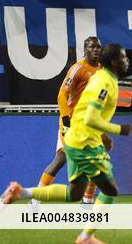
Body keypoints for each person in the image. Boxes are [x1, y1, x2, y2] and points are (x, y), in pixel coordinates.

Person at [0, 43, 132, 244]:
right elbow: (90, 117)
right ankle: (86, 237)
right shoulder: (103, 82)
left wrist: (103, 136)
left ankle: (21, 192)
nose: (127, 61)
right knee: (110, 190)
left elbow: (86, 111)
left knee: (73, 193)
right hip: (84, 142)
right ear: (114, 62)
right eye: (123, 58)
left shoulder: (102, 78)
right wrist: (119, 130)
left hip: (80, 138)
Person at [32, 36, 102, 206]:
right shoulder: (77, 69)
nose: (95, 50)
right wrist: (66, 122)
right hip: (71, 122)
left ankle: (87, 201)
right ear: (85, 49)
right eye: (91, 47)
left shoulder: (102, 70)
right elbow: (62, 95)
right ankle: (36, 199)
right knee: (60, 160)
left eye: (98, 47)